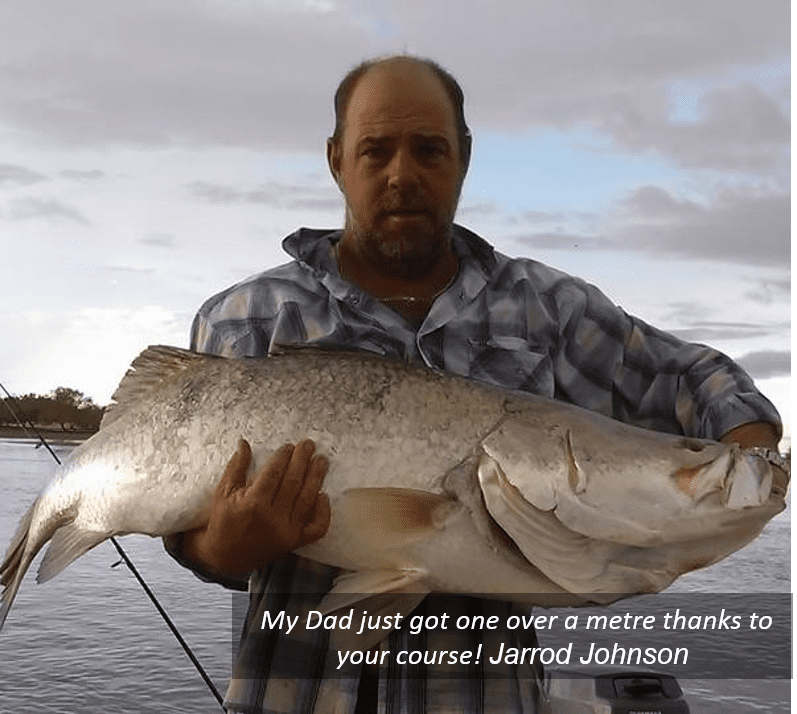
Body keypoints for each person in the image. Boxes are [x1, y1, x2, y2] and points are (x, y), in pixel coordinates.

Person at [164, 55, 787, 713]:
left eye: (428, 149)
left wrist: (752, 464)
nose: (402, 174)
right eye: (376, 150)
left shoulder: (547, 310)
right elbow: (179, 514)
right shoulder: (243, 319)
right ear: (336, 159)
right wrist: (220, 550)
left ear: (462, 157)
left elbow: (695, 377)